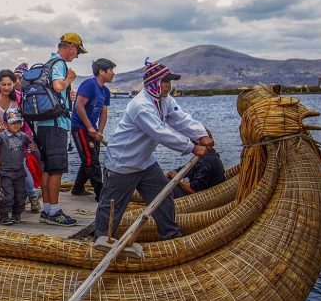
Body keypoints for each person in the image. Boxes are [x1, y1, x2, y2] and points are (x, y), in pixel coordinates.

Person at [94, 60, 212, 241]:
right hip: (123, 163)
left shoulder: (164, 100)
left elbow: (180, 119)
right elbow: (160, 133)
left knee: (163, 197)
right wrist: (192, 147)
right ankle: (101, 240)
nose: (169, 86)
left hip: (145, 161)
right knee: (111, 207)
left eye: (170, 82)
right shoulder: (141, 105)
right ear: (154, 83)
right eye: (165, 82)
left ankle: (170, 236)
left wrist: (201, 134)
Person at [34, 33, 83, 226]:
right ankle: (54, 212)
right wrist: (69, 79)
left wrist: (65, 92)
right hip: (56, 125)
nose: (77, 55)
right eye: (77, 50)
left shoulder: (48, 62)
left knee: (47, 168)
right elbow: (57, 85)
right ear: (70, 46)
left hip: (44, 125)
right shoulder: (60, 64)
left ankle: (47, 209)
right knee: (56, 170)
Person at [0, 69, 42, 214]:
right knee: (2, 166)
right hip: (1, 136)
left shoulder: (19, 97)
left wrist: (28, 138)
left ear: (14, 83)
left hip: (18, 135)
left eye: (9, 84)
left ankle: (33, 196)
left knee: (22, 165)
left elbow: (27, 115)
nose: (6, 87)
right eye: (3, 84)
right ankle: (8, 195)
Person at [70, 58, 116, 201]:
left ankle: (78, 188)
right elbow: (79, 106)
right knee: (92, 160)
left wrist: (100, 132)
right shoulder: (89, 84)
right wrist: (89, 127)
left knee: (89, 157)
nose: (113, 73)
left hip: (93, 129)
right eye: (111, 70)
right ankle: (101, 194)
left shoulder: (106, 91)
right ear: (101, 72)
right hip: (80, 127)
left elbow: (103, 113)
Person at [0, 107, 34, 226]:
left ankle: (16, 214)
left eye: (18, 122)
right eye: (13, 123)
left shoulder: (23, 136)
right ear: (6, 123)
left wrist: (32, 147)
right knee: (8, 195)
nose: (16, 125)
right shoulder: (2, 136)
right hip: (5, 172)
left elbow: (31, 145)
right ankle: (3, 215)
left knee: (20, 195)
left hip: (19, 171)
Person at [167, 129, 225, 197]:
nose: (193, 146)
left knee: (164, 185)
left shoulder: (205, 161)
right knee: (163, 180)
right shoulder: (209, 155)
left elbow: (193, 190)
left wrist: (178, 179)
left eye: (194, 143)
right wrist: (170, 174)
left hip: (202, 196)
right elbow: (185, 170)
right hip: (204, 188)